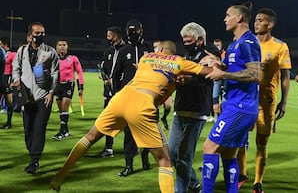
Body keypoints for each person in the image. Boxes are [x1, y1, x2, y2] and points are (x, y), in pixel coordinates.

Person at [49, 40, 216, 193]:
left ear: (161, 49)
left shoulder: (145, 58)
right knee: (165, 161)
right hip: (142, 104)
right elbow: (209, 72)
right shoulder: (180, 62)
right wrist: (214, 62)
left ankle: (59, 177)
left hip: (121, 98)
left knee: (90, 137)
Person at [201, 2, 261, 193]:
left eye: (228, 15)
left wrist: (223, 75)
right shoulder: (235, 44)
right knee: (228, 154)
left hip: (241, 106)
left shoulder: (248, 42)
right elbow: (235, 69)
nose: (224, 19)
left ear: (239, 18)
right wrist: (219, 65)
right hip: (235, 105)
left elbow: (255, 74)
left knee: (209, 148)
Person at [234, 8, 292, 193]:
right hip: (246, 99)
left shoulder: (280, 47)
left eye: (260, 20)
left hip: (266, 102)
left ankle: (258, 182)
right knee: (240, 139)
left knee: (262, 142)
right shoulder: (246, 42)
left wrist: (283, 102)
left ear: (270, 24)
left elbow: (285, 75)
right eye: (256, 20)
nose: (256, 23)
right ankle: (242, 174)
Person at [167, 22, 220, 193]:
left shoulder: (210, 52)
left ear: (200, 39)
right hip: (180, 108)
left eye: (189, 41)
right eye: (184, 40)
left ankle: (180, 190)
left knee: (184, 157)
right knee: (172, 153)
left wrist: (188, 79)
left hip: (197, 109)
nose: (185, 44)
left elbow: (211, 74)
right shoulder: (187, 55)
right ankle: (194, 184)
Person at [12, 22, 59, 174]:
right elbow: (16, 67)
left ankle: (34, 160)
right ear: (30, 35)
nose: (40, 36)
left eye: (42, 33)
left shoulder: (50, 52)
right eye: (37, 33)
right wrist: (16, 78)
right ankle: (32, 151)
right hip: (26, 97)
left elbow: (55, 73)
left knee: (39, 129)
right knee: (28, 130)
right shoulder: (22, 51)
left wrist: (51, 92)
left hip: (43, 97)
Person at [116, 19, 152, 177]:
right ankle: (128, 164)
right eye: (130, 32)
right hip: (129, 97)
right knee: (128, 132)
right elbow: (116, 74)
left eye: (135, 31)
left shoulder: (148, 49)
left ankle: (145, 154)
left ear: (141, 31)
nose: (132, 34)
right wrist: (117, 94)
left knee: (149, 131)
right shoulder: (124, 50)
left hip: (147, 97)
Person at [96, 26, 126, 158]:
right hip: (109, 92)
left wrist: (114, 81)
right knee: (108, 121)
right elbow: (104, 68)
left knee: (128, 122)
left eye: (109, 35)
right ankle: (108, 149)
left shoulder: (127, 50)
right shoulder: (108, 50)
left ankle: (132, 147)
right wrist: (101, 74)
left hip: (123, 92)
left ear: (116, 36)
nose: (107, 37)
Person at [52, 39, 84, 141]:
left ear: (67, 47)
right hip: (57, 86)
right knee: (61, 110)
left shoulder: (73, 58)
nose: (62, 47)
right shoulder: (54, 59)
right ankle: (66, 131)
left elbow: (79, 72)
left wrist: (80, 87)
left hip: (68, 85)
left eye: (64, 45)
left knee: (65, 106)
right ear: (56, 48)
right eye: (60, 45)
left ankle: (61, 132)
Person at [153, 39, 172, 130]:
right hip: (155, 87)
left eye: (157, 47)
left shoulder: (167, 58)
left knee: (168, 106)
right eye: (154, 47)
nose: (155, 49)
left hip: (166, 86)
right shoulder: (151, 58)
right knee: (154, 108)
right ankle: (155, 128)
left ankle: (164, 117)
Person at [0, 37, 16, 129]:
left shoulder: (12, 54)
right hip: (1, 78)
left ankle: (8, 123)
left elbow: (16, 67)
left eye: (0, 44)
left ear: (5, 45)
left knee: (9, 101)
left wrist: (14, 80)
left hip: (7, 79)